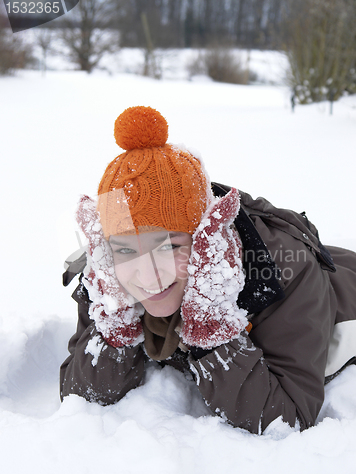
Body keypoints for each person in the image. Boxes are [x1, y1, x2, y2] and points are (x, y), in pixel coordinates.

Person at [60, 106, 356, 434]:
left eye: (168, 247)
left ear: (206, 239)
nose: (146, 275)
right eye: (127, 249)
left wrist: (211, 328)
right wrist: (115, 324)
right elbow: (79, 396)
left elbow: (286, 420)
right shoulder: (108, 270)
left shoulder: (285, 272)